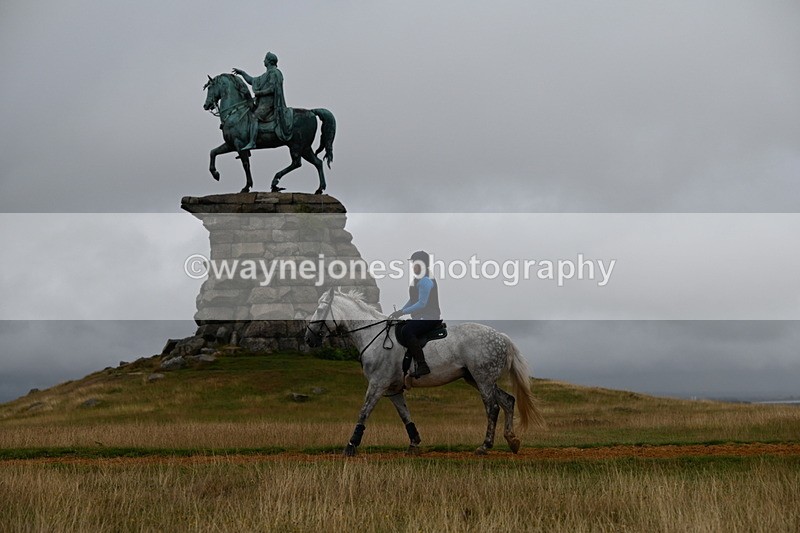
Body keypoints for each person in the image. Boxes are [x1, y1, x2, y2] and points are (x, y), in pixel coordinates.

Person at [389, 250, 443, 378]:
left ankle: (422, 365)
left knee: (407, 330)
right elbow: (413, 300)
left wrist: (402, 312)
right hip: (421, 316)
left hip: (430, 317)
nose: (413, 266)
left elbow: (421, 304)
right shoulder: (417, 279)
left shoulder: (425, 280)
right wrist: (400, 312)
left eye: (415, 263)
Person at [232, 51, 293, 150]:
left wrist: (260, 93)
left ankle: (252, 142)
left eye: (265, 59)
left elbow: (273, 89)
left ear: (269, 61)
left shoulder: (275, 73)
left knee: (254, 116)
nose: (263, 61)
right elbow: (252, 80)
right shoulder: (266, 74)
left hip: (270, 104)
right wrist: (242, 73)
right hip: (262, 103)